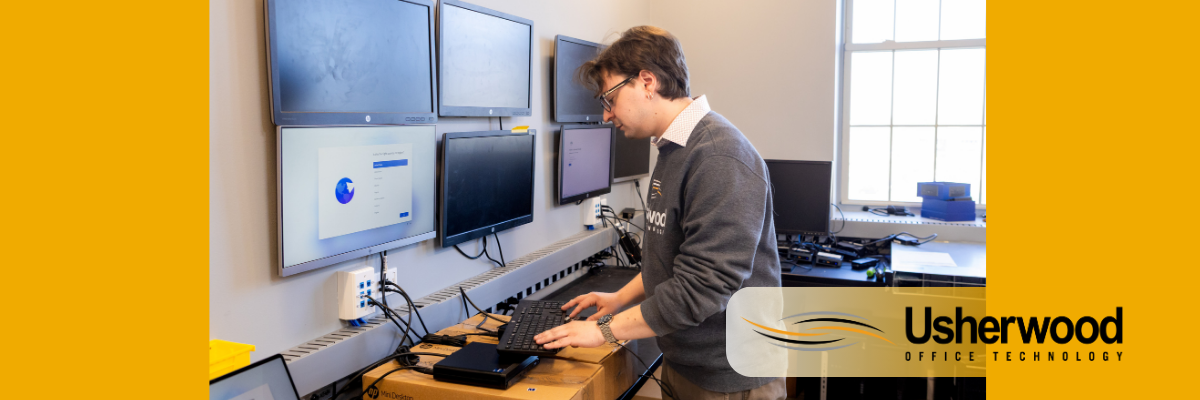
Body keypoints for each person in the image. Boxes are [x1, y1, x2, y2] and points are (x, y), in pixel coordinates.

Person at [533, 26, 785, 400]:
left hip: (729, 376)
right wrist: (619, 299)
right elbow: (673, 257)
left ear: (647, 81)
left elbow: (703, 287)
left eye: (609, 99)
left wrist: (604, 329)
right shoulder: (674, 149)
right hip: (690, 361)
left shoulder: (718, 155)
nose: (606, 115)